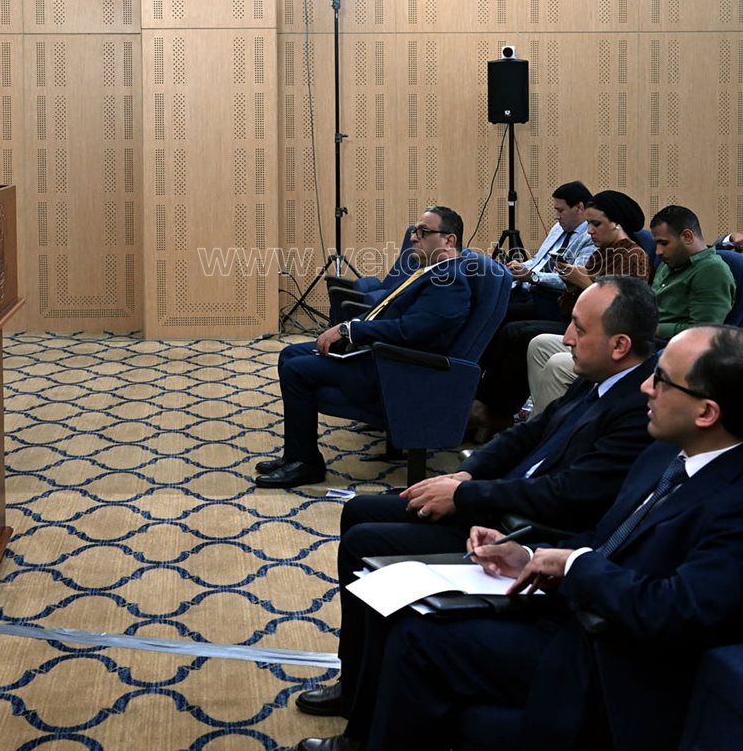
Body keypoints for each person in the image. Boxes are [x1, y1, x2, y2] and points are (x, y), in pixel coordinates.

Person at [299, 326, 743, 751]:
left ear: (706, 412)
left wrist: (573, 566)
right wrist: (529, 554)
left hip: (614, 662)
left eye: (662, 380)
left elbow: (675, 612)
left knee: (420, 642)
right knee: (406, 604)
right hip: (579, 609)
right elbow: (607, 536)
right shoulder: (670, 453)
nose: (646, 386)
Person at [289, 277, 658, 723]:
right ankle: (357, 679)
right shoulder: (598, 376)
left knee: (364, 541)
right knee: (359, 510)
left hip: (525, 527)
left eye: (579, 328)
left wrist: (465, 495)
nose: (565, 338)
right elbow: (527, 434)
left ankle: (362, 706)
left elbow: (569, 496)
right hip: (498, 500)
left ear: (619, 345)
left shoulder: (637, 409)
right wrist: (466, 473)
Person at [257, 206, 473, 488]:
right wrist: (352, 326)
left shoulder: (450, 282)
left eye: (423, 232)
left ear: (449, 240)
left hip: (398, 370)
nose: (413, 237)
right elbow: (388, 312)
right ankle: (295, 454)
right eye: (415, 230)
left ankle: (306, 464)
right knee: (289, 354)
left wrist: (351, 330)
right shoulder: (432, 272)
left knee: (296, 370)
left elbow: (408, 331)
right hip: (381, 353)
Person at [469, 190, 649, 436]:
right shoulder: (602, 253)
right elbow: (572, 301)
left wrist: (583, 282)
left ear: (616, 223)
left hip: (602, 333)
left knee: (519, 333)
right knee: (517, 331)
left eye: (596, 224)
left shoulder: (633, 256)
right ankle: (501, 409)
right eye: (589, 224)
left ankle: (497, 413)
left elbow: (624, 310)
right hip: (575, 322)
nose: (589, 231)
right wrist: (571, 281)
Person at [524, 205, 733, 413]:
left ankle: (552, 429)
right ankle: (545, 418)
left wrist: (648, 327)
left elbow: (703, 333)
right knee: (540, 345)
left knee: (559, 365)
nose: (658, 252)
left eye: (663, 243)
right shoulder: (670, 264)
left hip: (654, 354)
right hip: (632, 339)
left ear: (687, 236)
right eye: (656, 244)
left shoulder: (711, 271)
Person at [502, 181, 596, 322]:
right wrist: (514, 268)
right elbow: (538, 261)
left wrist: (532, 276)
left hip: (552, 299)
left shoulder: (591, 237)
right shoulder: (559, 227)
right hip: (528, 290)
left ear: (579, 207)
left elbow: (572, 279)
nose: (556, 216)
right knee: (486, 301)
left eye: (560, 211)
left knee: (498, 314)